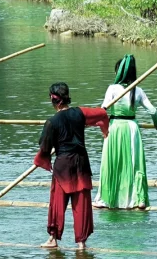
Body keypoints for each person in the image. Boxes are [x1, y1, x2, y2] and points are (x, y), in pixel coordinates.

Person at [33, 83, 105, 250]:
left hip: (64, 164)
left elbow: (44, 146)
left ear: (53, 100)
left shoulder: (52, 122)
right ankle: (82, 243)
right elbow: (101, 113)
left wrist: (41, 158)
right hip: (81, 162)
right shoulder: (79, 113)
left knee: (58, 202)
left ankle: (53, 239)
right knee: (81, 204)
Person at [95, 54, 157, 211]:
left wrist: (102, 128)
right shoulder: (138, 90)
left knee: (111, 163)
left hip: (115, 128)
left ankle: (107, 199)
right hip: (132, 128)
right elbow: (153, 110)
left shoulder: (112, 88)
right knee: (135, 163)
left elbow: (102, 111)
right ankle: (139, 200)